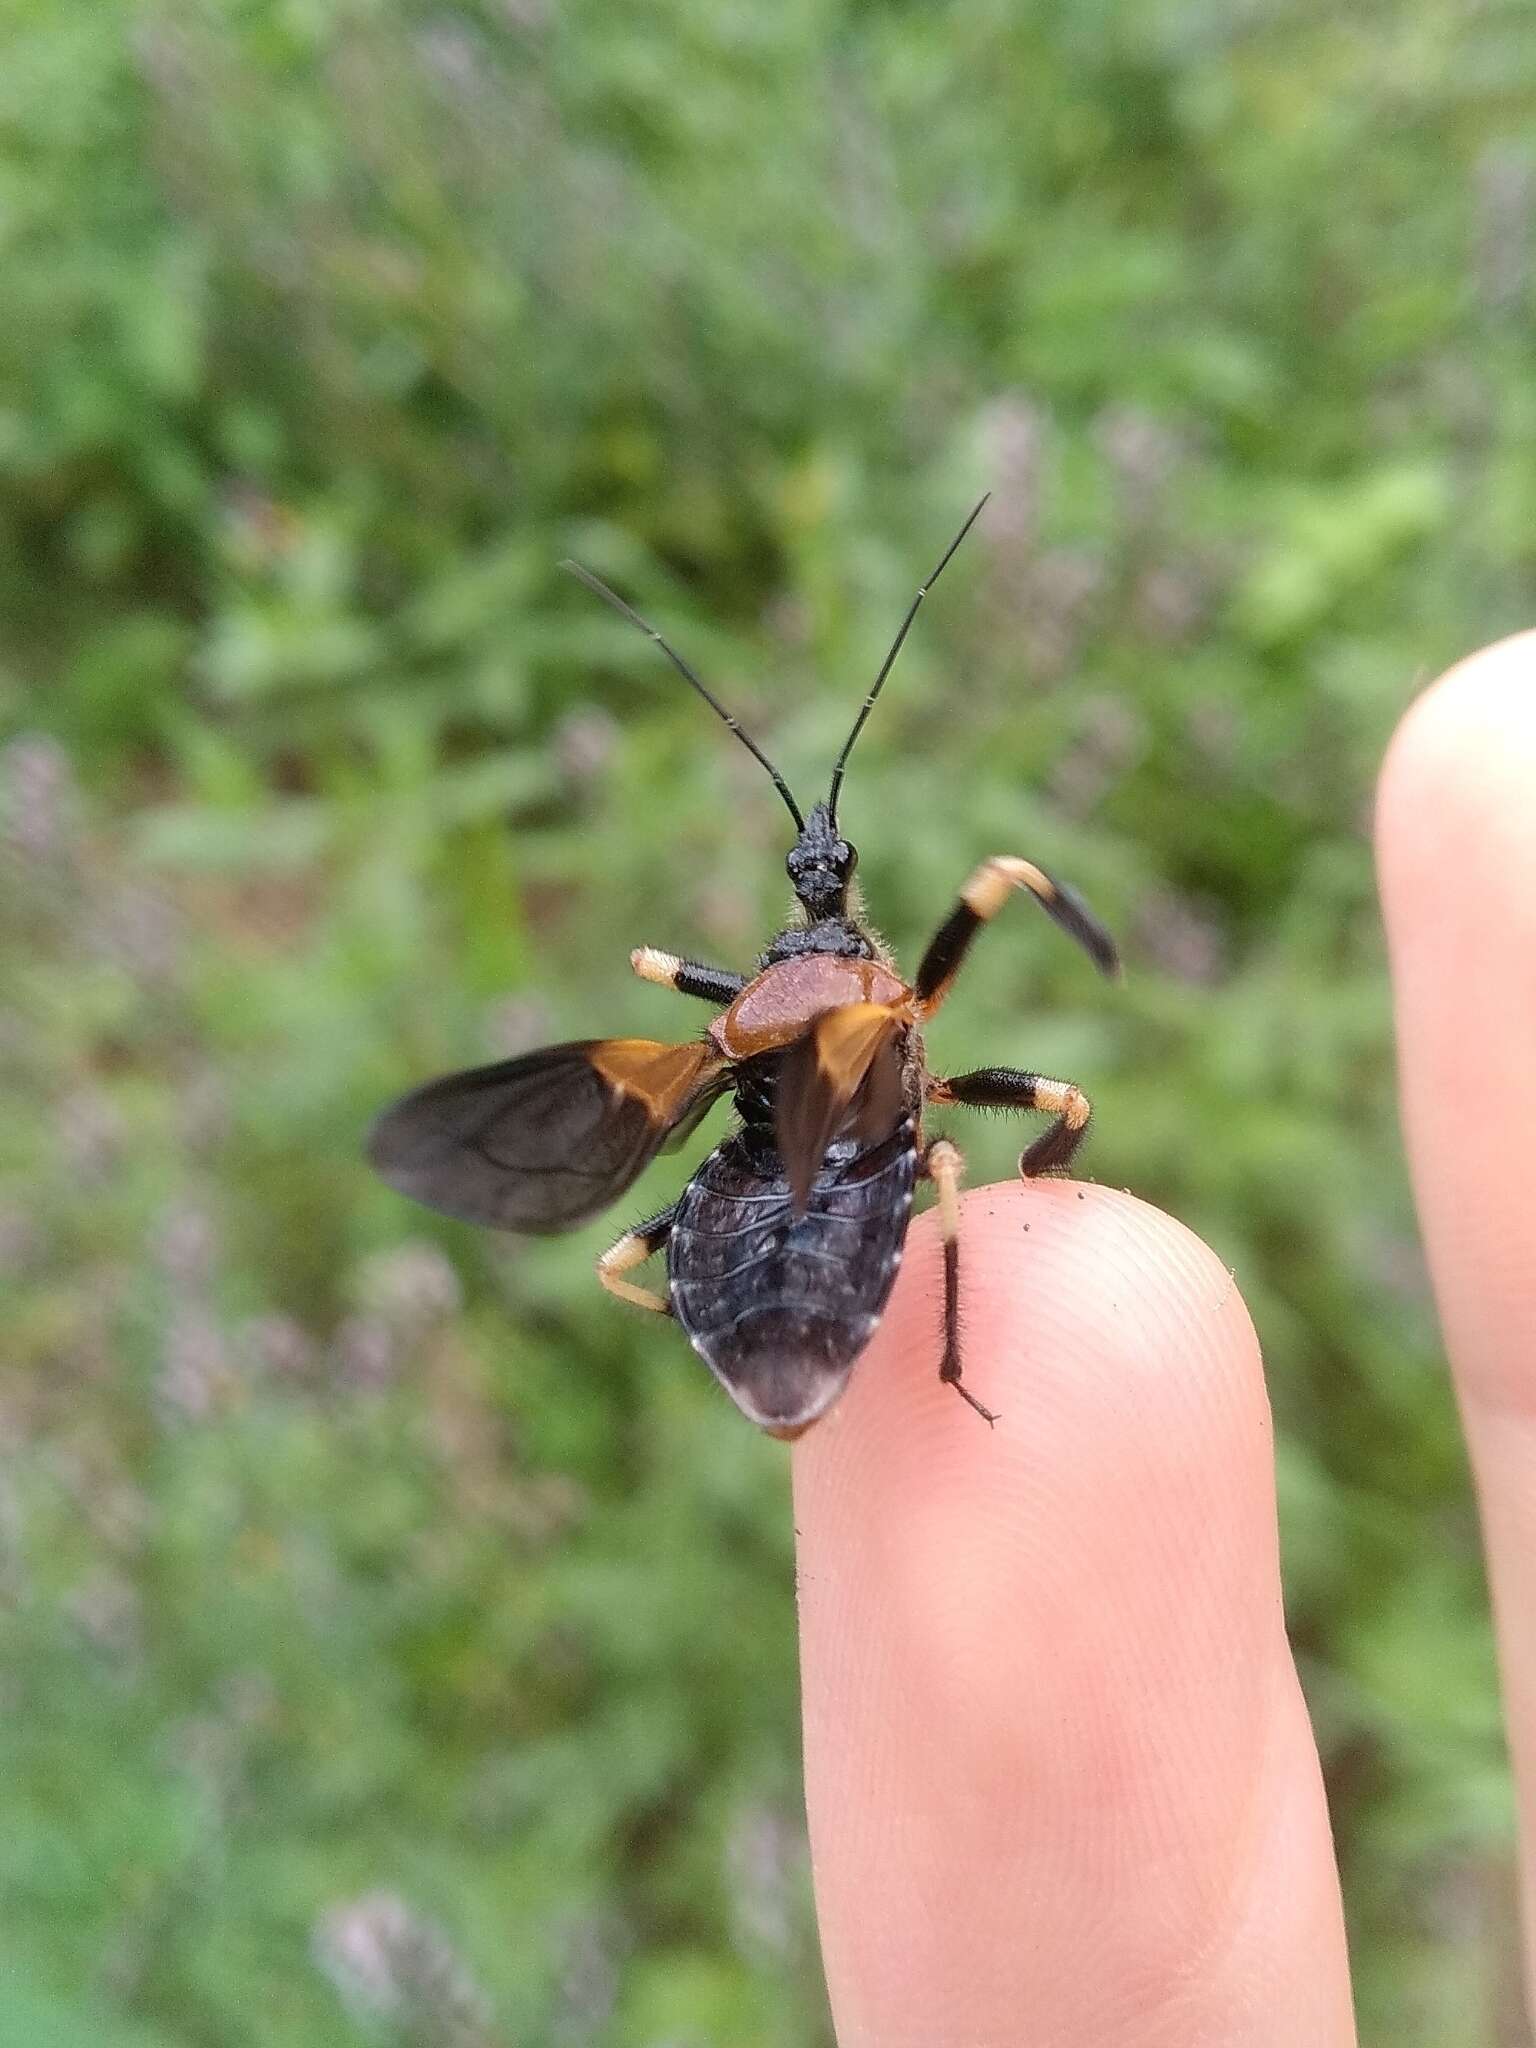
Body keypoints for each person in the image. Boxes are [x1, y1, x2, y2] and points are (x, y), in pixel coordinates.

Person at [791, 635, 1536, 2045]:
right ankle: (974, 1273)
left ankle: (961, 1266)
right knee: (1010, 1120)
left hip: (850, 1157)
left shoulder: (869, 997)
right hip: (863, 1161)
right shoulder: (860, 1001)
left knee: (1013, 1127)